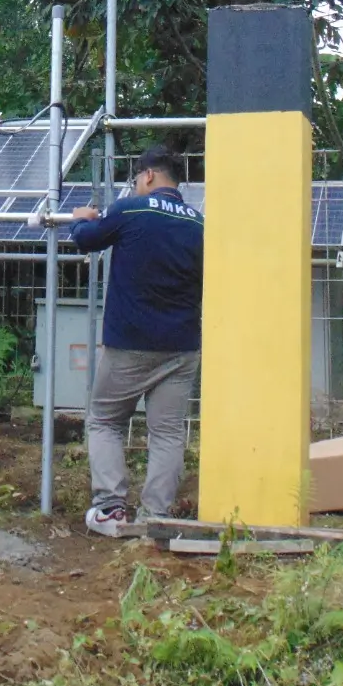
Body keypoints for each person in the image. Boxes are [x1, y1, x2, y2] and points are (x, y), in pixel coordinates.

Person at [69, 146, 204, 536]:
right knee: (167, 432)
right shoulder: (199, 222)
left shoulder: (131, 208)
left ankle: (110, 508)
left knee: (106, 421)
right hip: (182, 346)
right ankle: (156, 517)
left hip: (130, 342)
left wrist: (80, 219)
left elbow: (85, 240)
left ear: (147, 176)